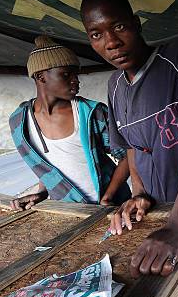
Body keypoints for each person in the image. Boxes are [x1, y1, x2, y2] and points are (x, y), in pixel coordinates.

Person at [80, 0, 178, 277]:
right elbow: (132, 147)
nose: (111, 42)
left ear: (136, 24)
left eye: (119, 26)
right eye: (96, 35)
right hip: (157, 217)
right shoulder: (114, 87)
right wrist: (139, 195)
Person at [9, 35, 131, 210]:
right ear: (41, 77)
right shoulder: (19, 123)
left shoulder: (92, 113)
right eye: (66, 74)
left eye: (76, 74)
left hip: (113, 206)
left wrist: (108, 197)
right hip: (69, 211)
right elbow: (50, 164)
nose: (76, 80)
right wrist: (42, 192)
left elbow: (128, 155)